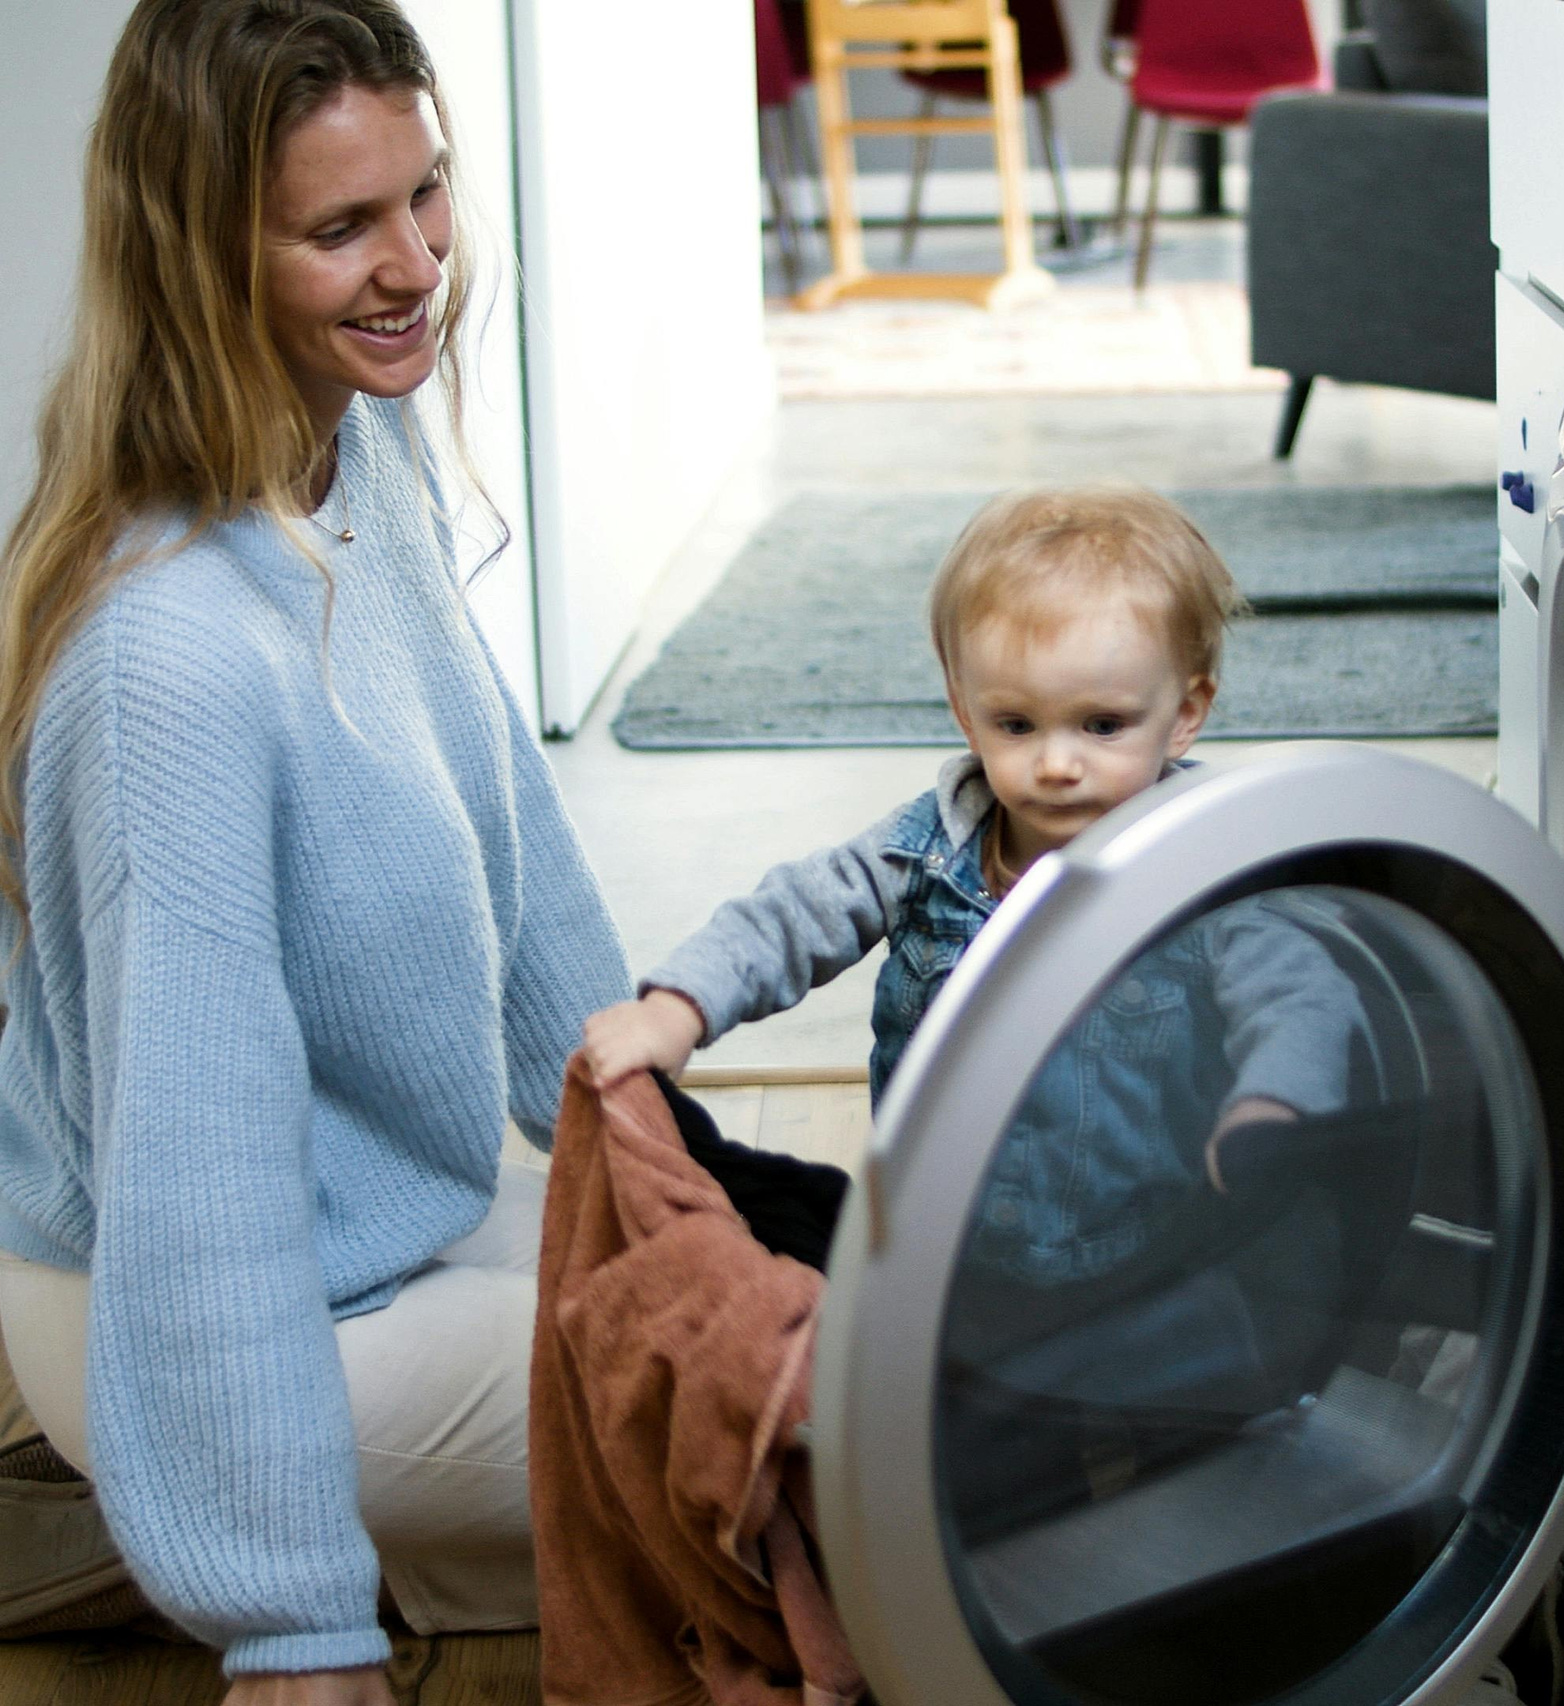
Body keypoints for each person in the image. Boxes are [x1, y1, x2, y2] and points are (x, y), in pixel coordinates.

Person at [0, 3, 631, 1701]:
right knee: (833, 1387)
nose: (416, 264)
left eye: (425, 196)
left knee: (851, 1272)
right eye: (342, 228)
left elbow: (514, 823)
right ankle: (207, 1515)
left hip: (378, 1226)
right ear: (203, 255)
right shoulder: (169, 659)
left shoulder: (361, 449)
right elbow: (196, 1191)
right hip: (209, 1298)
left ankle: (327, 1534)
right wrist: (290, 1623)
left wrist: (644, 1136)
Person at [582, 486, 1354, 1186]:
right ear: (965, 710)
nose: (1056, 764)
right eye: (1015, 724)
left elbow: (1301, 992)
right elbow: (791, 916)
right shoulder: (927, 850)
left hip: (1153, 1249)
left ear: (1185, 714)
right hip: (938, 1239)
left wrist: (1273, 1109)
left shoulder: (1210, 864)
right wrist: (678, 1007)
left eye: (1103, 725)